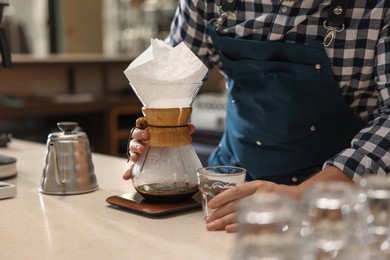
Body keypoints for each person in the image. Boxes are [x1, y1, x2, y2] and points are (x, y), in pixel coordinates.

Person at [124, 0, 390, 232]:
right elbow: (169, 83)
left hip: (334, 212)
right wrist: (157, 133)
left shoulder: (377, 8)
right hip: (226, 195)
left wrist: (301, 198)